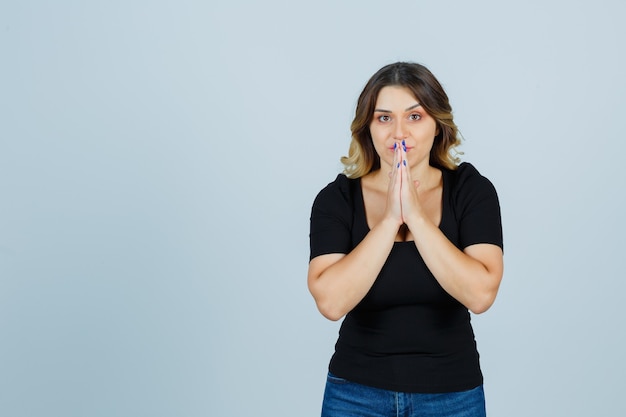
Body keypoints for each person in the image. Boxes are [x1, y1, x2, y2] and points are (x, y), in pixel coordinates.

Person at [307, 62, 504, 417]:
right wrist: (387, 222)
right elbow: (331, 303)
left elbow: (480, 294)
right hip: (354, 395)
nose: (399, 132)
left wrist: (416, 216)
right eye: (384, 118)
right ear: (367, 127)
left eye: (415, 116)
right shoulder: (336, 199)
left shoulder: (471, 191)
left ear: (437, 125)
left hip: (452, 396)